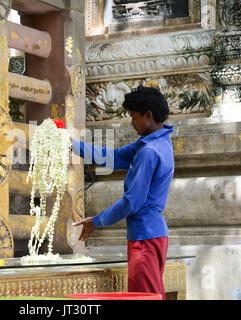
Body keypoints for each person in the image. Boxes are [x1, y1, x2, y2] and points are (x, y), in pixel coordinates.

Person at [71, 85, 174, 299]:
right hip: (153, 233)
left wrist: (96, 221)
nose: (132, 122)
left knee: (144, 297)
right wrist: (73, 145)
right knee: (150, 294)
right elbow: (115, 158)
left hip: (145, 237)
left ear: (148, 115)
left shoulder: (148, 152)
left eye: (134, 117)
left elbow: (132, 202)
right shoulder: (158, 142)